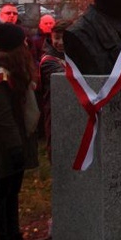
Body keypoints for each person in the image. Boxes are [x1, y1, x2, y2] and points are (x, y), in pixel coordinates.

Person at [0, 23, 40, 240]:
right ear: (14, 47)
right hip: (5, 145)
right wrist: (15, 148)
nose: (26, 44)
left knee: (13, 192)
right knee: (2, 194)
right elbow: (3, 118)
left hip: (17, 142)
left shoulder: (14, 71)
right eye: (22, 41)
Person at [38, 20, 72, 161]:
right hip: (56, 112)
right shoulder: (49, 61)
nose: (60, 42)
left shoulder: (71, 55)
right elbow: (68, 82)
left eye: (64, 38)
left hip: (72, 111)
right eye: (56, 38)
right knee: (60, 151)